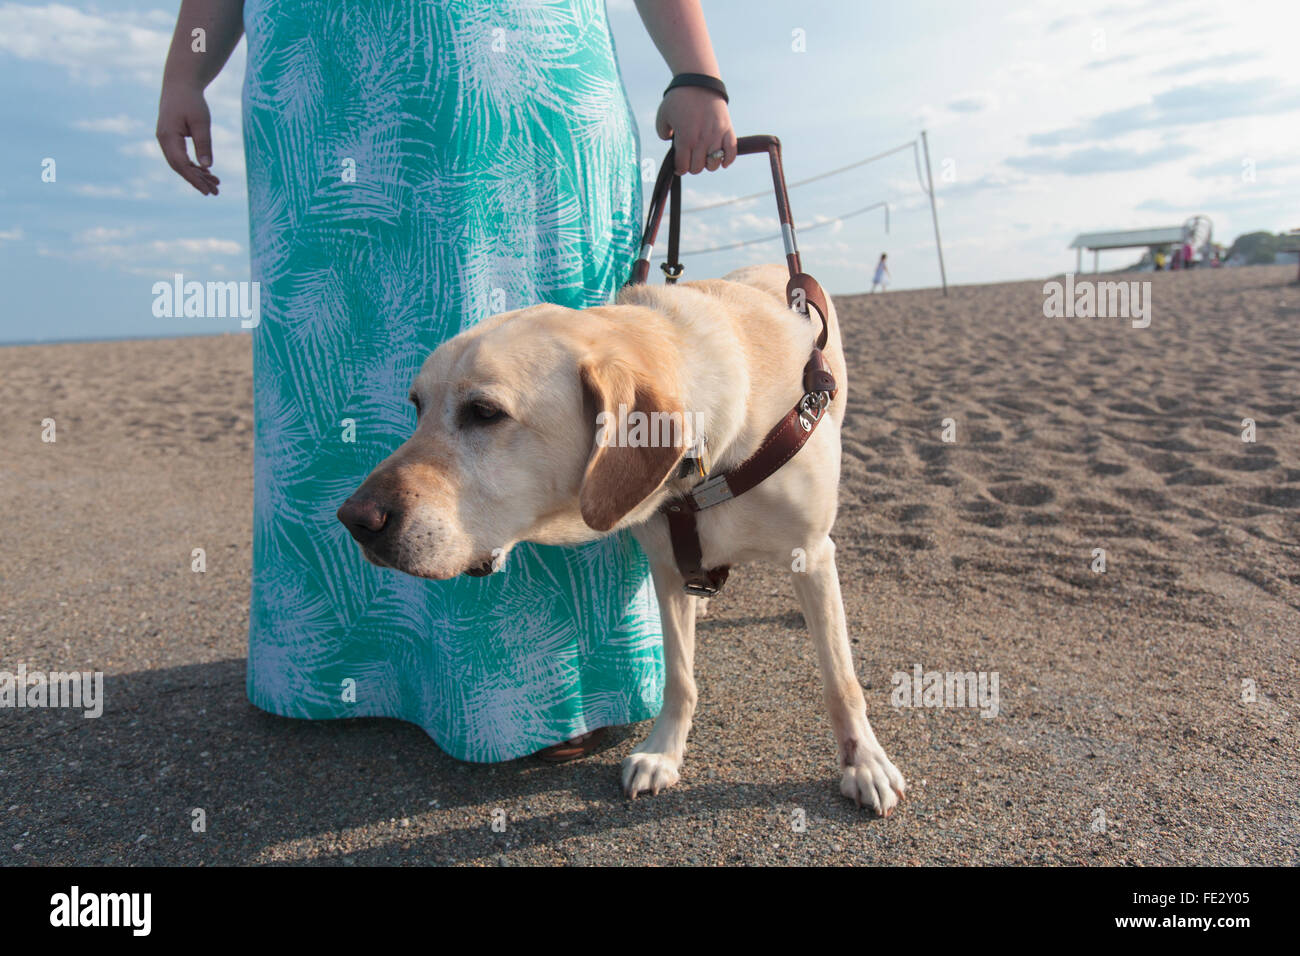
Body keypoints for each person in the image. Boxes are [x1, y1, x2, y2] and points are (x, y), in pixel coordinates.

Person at [157, 0, 736, 763]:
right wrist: (183, 72)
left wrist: (696, 69)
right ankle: (344, 664)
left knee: (538, 381)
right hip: (318, 94)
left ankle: (547, 691)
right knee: (335, 365)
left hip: (505, 80)